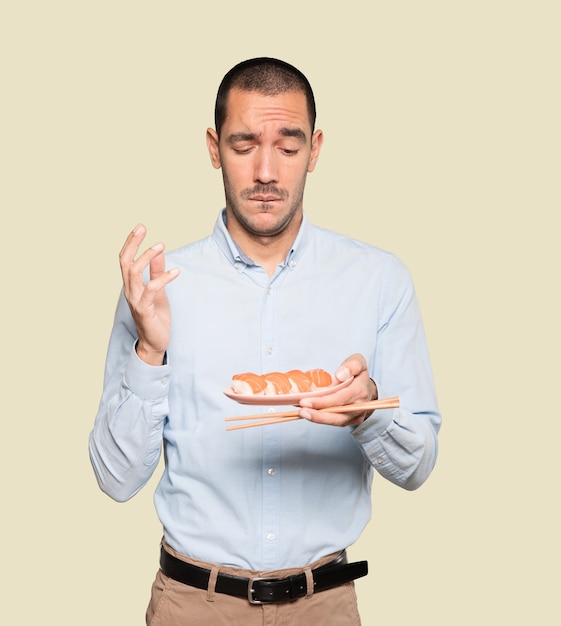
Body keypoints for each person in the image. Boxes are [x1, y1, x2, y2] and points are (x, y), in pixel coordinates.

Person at [89, 57, 441, 626]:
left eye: (288, 145)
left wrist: (365, 407)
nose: (266, 171)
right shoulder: (158, 290)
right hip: (191, 604)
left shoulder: (378, 280)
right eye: (244, 143)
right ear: (213, 148)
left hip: (324, 605)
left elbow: (418, 464)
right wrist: (150, 352)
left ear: (316, 149)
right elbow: (115, 480)